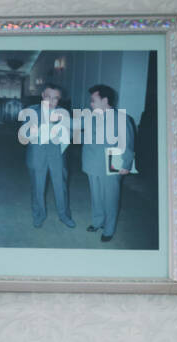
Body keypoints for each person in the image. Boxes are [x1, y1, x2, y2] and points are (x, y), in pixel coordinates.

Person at [80, 84, 137, 243]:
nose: (90, 104)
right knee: (96, 196)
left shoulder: (122, 119)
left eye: (93, 100)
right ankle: (98, 222)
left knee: (110, 198)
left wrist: (125, 164)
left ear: (105, 100)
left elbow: (127, 143)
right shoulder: (91, 116)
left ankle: (109, 229)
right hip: (92, 163)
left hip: (111, 162)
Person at [24, 85, 75, 230]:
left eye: (56, 98)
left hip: (57, 154)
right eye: (48, 97)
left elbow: (71, 134)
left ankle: (64, 216)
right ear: (42, 95)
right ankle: (38, 215)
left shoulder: (63, 113)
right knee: (37, 188)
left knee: (61, 187)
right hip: (37, 154)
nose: (52, 101)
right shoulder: (32, 111)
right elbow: (25, 134)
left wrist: (63, 130)